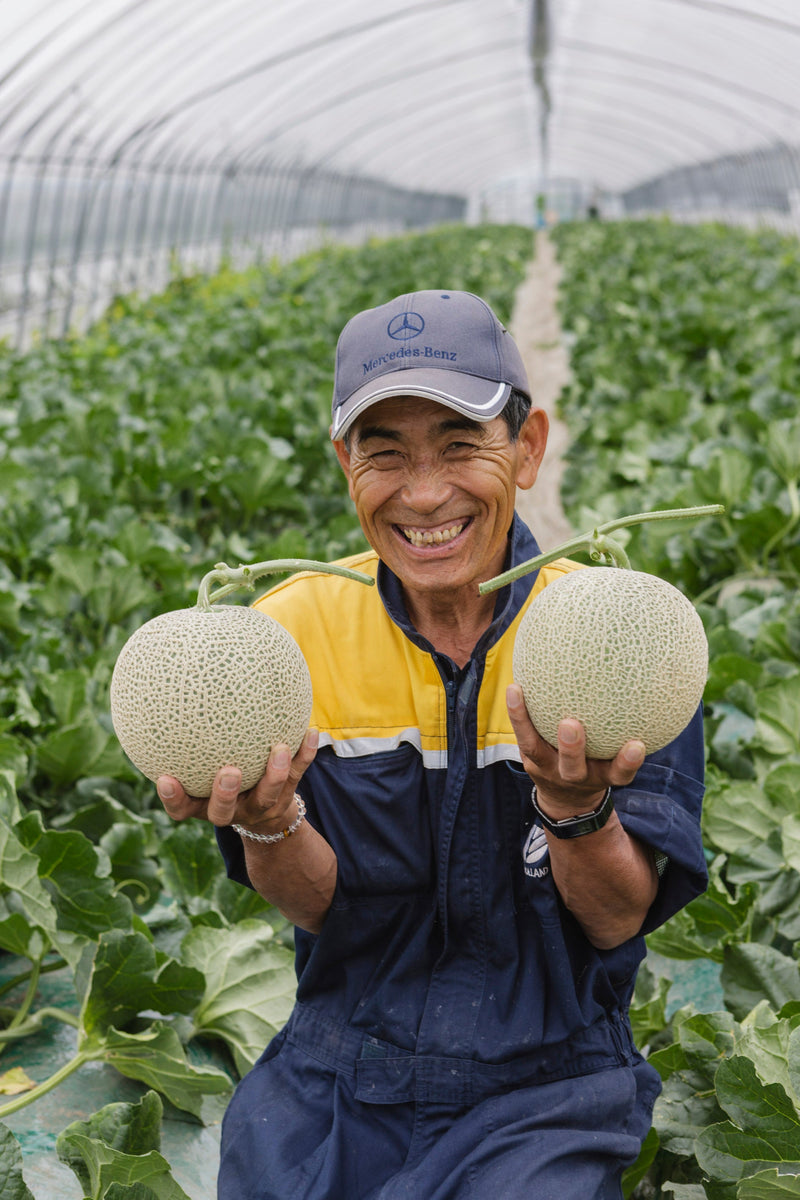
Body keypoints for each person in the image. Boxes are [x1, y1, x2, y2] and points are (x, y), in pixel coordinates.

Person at [156, 289, 708, 1199]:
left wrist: (576, 810)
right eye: (386, 454)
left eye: (460, 446)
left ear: (527, 450)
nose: (423, 493)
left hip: (549, 1083)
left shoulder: (620, 635)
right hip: (336, 1073)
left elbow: (615, 920)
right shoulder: (280, 641)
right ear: (345, 465)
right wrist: (268, 823)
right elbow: (317, 907)